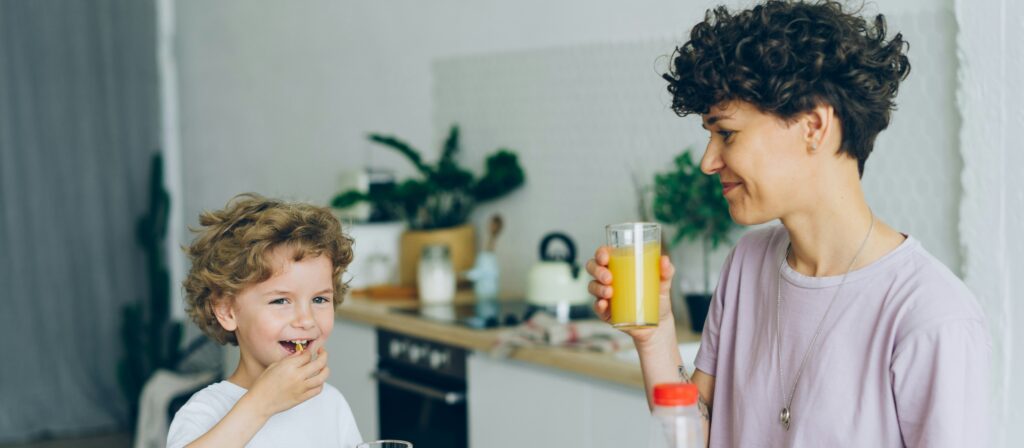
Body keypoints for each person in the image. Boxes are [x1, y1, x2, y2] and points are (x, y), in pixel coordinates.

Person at [587, 1, 991, 446]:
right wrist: (655, 337)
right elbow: (694, 439)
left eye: (726, 133)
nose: (708, 160)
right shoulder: (747, 264)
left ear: (813, 126)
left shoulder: (931, 316)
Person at [167, 193, 363, 448]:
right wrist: (262, 403)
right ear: (227, 311)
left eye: (319, 300)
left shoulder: (331, 403)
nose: (306, 320)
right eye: (281, 301)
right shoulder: (206, 411)